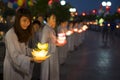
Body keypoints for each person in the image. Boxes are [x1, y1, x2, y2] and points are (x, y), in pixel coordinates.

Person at [3, 8, 41, 80]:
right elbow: (15, 56)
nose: (27, 23)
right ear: (18, 20)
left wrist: (35, 52)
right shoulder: (11, 34)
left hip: (21, 67)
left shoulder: (22, 32)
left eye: (29, 21)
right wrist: (32, 59)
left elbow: (24, 49)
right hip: (12, 68)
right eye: (24, 20)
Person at [40, 11, 66, 80]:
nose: (54, 21)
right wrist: (55, 44)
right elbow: (43, 44)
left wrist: (58, 41)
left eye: (55, 19)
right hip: (49, 56)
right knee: (48, 73)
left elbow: (52, 40)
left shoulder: (51, 29)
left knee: (53, 72)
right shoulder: (46, 29)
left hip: (53, 55)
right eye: (53, 18)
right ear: (48, 19)